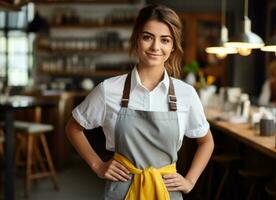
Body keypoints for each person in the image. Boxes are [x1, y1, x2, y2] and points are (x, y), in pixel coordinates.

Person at [66, 4, 214, 200]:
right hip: (122, 190)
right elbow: (73, 127)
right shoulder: (108, 90)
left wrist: (190, 181)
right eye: (147, 37)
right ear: (137, 39)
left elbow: (206, 142)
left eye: (165, 40)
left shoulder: (185, 94)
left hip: (166, 192)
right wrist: (97, 165)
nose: (155, 47)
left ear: (172, 46)